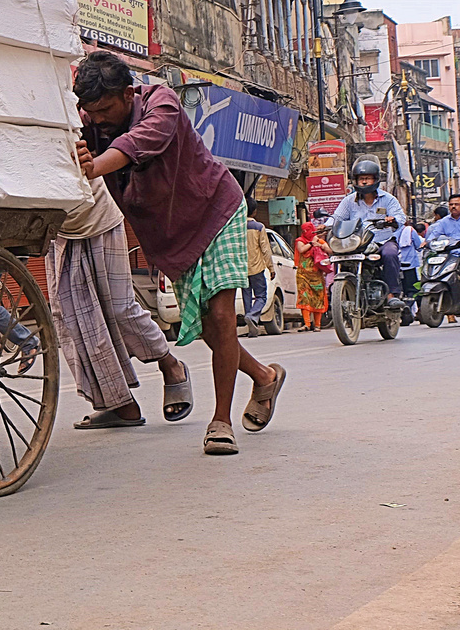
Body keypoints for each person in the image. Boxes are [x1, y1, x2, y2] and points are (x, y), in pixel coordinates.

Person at [74, 51, 285, 456]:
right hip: (171, 237)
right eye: (89, 110)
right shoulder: (89, 125)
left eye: (103, 109)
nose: (96, 118)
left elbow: (139, 142)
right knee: (207, 327)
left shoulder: (161, 102)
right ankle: (264, 376)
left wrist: (95, 165)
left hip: (215, 211)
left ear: (127, 93)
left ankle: (220, 422)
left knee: (222, 316)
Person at [44, 173, 190, 428]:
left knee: (121, 308)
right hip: (55, 224)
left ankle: (171, 365)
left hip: (95, 216)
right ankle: (120, 405)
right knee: (70, 319)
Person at [328, 159, 408, 308]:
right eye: (361, 178)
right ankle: (341, 295)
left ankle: (391, 295)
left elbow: (400, 217)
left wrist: (392, 219)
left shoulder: (388, 199)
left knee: (390, 254)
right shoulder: (348, 201)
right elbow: (337, 218)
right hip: (357, 242)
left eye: (367, 178)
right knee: (338, 256)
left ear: (376, 179)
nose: (364, 182)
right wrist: (324, 227)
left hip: (382, 241)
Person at [241, 215, 276, 337]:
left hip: (242, 269)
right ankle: (252, 316)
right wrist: (271, 268)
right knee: (261, 296)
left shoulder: (238, 227)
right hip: (257, 268)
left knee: (247, 297)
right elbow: (265, 249)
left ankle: (252, 327)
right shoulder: (259, 227)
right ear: (255, 212)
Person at [293, 220, 330, 332]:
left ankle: (317, 325)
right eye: (304, 230)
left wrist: (320, 245)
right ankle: (307, 324)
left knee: (317, 298)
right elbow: (301, 249)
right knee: (304, 298)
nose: (306, 232)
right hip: (303, 275)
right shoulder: (300, 241)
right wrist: (311, 243)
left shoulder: (320, 241)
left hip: (317, 276)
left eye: (308, 230)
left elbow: (330, 250)